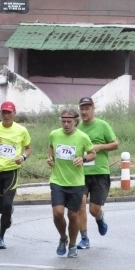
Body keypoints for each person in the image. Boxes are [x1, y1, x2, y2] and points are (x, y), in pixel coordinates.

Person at [0, 101, 32, 249]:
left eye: (9, 112)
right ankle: (7, 212)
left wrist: (22, 157)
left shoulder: (21, 130)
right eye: (4, 112)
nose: (6, 115)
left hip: (12, 171)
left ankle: (1, 237)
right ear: (0, 113)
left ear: (14, 113)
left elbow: (28, 149)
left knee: (7, 204)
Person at [47, 108, 93, 258]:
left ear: (76, 121)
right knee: (58, 213)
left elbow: (93, 153)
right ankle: (63, 238)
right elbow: (51, 147)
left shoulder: (83, 137)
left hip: (76, 182)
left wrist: (83, 159)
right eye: (63, 121)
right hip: (57, 180)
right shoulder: (54, 134)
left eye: (69, 121)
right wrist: (50, 158)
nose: (66, 124)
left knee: (73, 215)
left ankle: (72, 245)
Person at [76, 97, 119, 249]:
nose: (84, 111)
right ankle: (84, 238)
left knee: (93, 209)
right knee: (80, 204)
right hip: (80, 173)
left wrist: (99, 147)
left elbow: (115, 144)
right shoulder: (77, 128)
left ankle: (100, 218)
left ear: (93, 108)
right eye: (82, 108)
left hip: (100, 172)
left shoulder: (102, 125)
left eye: (87, 108)